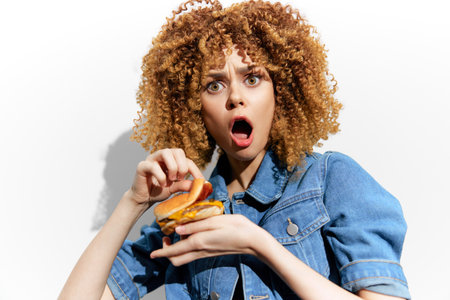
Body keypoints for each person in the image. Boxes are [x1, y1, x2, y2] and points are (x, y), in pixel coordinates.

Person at [59, 0, 410, 299]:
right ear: (195, 109)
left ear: (281, 93)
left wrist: (259, 244)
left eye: (253, 78)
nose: (235, 97)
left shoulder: (331, 180)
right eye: (214, 85)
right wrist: (132, 203)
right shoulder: (184, 221)